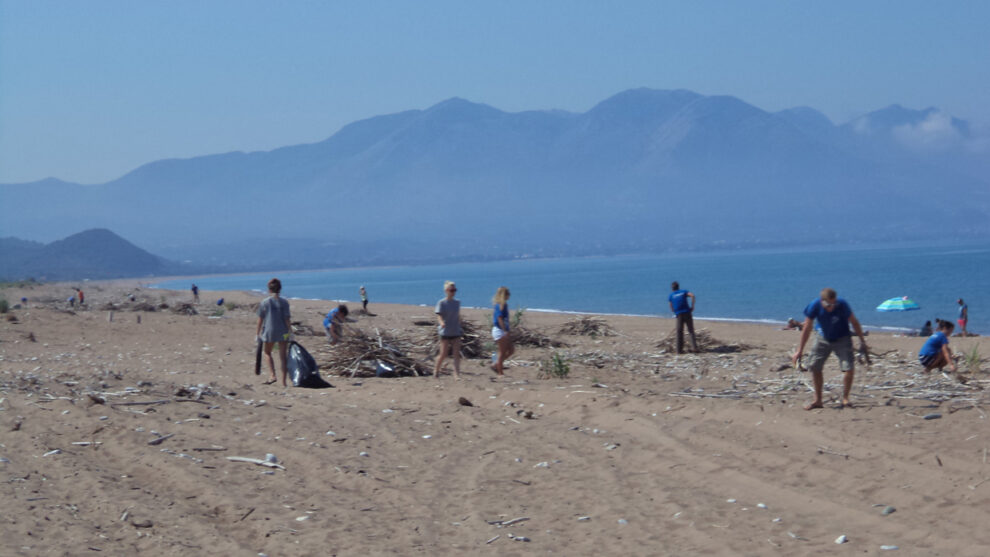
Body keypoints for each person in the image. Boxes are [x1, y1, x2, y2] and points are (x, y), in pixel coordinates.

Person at [792, 287, 869, 410]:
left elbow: (854, 322)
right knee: (815, 367)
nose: (832, 307)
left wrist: (862, 341)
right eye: (828, 304)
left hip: (842, 338)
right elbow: (807, 327)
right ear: (822, 301)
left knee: (848, 368)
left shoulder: (842, 305)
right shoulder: (814, 305)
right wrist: (799, 350)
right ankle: (818, 400)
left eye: (834, 303)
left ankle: (845, 398)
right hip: (822, 337)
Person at [256, 278, 292, 386]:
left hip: (269, 330)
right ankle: (284, 382)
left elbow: (260, 319)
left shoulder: (265, 302)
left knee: (267, 352)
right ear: (280, 289)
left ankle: (272, 375)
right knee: (283, 356)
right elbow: (287, 319)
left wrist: (257, 333)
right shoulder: (284, 302)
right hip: (283, 330)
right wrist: (291, 332)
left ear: (269, 289)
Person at [434, 281, 463, 379]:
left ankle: (456, 374)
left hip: (455, 330)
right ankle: (436, 370)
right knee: (443, 353)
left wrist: (460, 324)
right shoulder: (441, 303)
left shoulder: (457, 303)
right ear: (446, 291)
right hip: (445, 331)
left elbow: (458, 315)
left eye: (454, 290)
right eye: (451, 290)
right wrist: (441, 323)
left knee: (456, 353)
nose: (453, 292)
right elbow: (439, 315)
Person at [668, 281, 699, 353]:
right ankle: (694, 347)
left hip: (679, 314)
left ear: (672, 288)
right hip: (687, 312)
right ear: (678, 287)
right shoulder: (683, 291)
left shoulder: (671, 295)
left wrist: (674, 311)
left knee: (679, 331)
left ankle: (679, 350)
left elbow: (670, 305)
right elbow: (692, 295)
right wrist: (692, 306)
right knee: (690, 330)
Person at [491, 286, 514, 376]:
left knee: (511, 350)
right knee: (502, 352)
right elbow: (499, 318)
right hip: (500, 331)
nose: (509, 295)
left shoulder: (504, 305)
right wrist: (504, 330)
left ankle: (496, 364)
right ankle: (500, 372)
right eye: (508, 293)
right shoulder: (501, 305)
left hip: (503, 330)